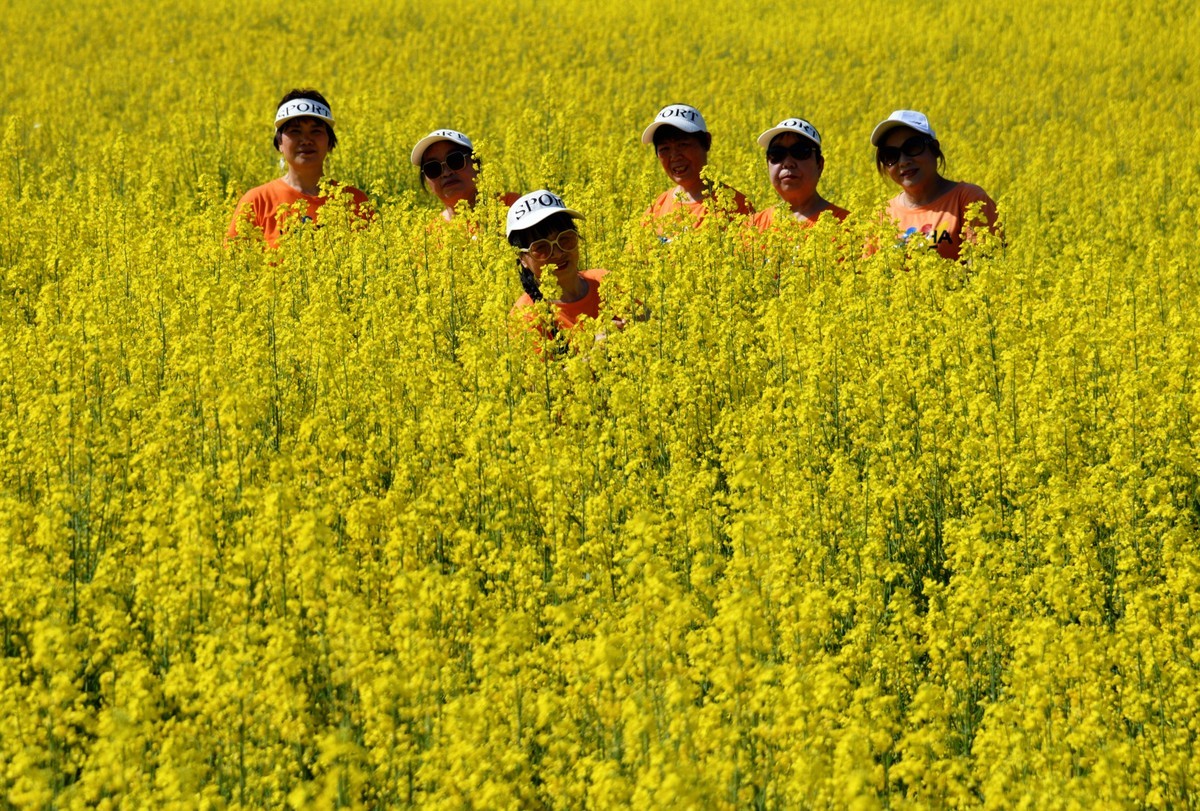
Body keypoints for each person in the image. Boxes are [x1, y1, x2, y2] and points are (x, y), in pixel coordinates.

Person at [227, 89, 370, 247]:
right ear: (279, 143)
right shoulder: (256, 202)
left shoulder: (355, 201)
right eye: (295, 131)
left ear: (330, 142)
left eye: (316, 131)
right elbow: (233, 264)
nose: (306, 140)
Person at [871, 110, 998, 260]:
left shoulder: (969, 200)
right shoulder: (882, 216)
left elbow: (984, 270)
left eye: (912, 147)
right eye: (891, 155)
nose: (903, 161)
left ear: (935, 149)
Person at [507, 190, 612, 341]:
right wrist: (596, 352)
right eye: (541, 247)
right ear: (522, 259)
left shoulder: (606, 282)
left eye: (565, 239)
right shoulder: (524, 319)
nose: (557, 253)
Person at [642, 104, 752, 235]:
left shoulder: (736, 206)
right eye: (664, 149)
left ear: (706, 142)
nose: (674, 156)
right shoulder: (656, 208)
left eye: (683, 145)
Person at [750, 118, 848, 231]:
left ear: (819, 165)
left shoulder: (847, 226)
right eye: (777, 153)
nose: (788, 163)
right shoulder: (752, 228)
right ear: (767, 164)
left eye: (800, 151)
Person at [410, 129, 520, 222]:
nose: (446, 173)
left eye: (455, 160)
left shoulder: (513, 207)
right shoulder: (429, 236)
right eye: (433, 168)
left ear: (476, 164)